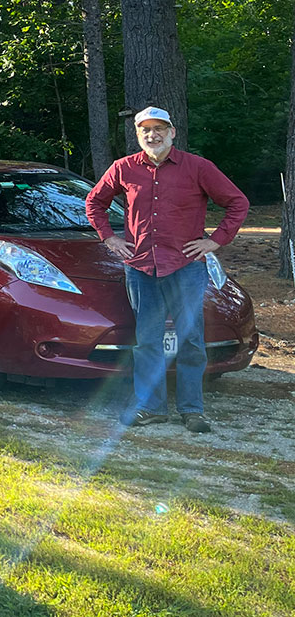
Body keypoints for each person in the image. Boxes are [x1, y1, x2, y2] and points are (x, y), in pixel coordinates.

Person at [84, 107, 249, 434]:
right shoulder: (123, 168)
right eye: (146, 130)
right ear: (138, 135)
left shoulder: (198, 168)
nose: (153, 135)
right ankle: (151, 408)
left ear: (173, 132)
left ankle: (192, 410)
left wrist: (214, 241)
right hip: (141, 268)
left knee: (190, 340)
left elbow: (237, 202)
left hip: (186, 267)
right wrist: (110, 238)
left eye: (159, 128)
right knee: (147, 341)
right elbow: (94, 202)